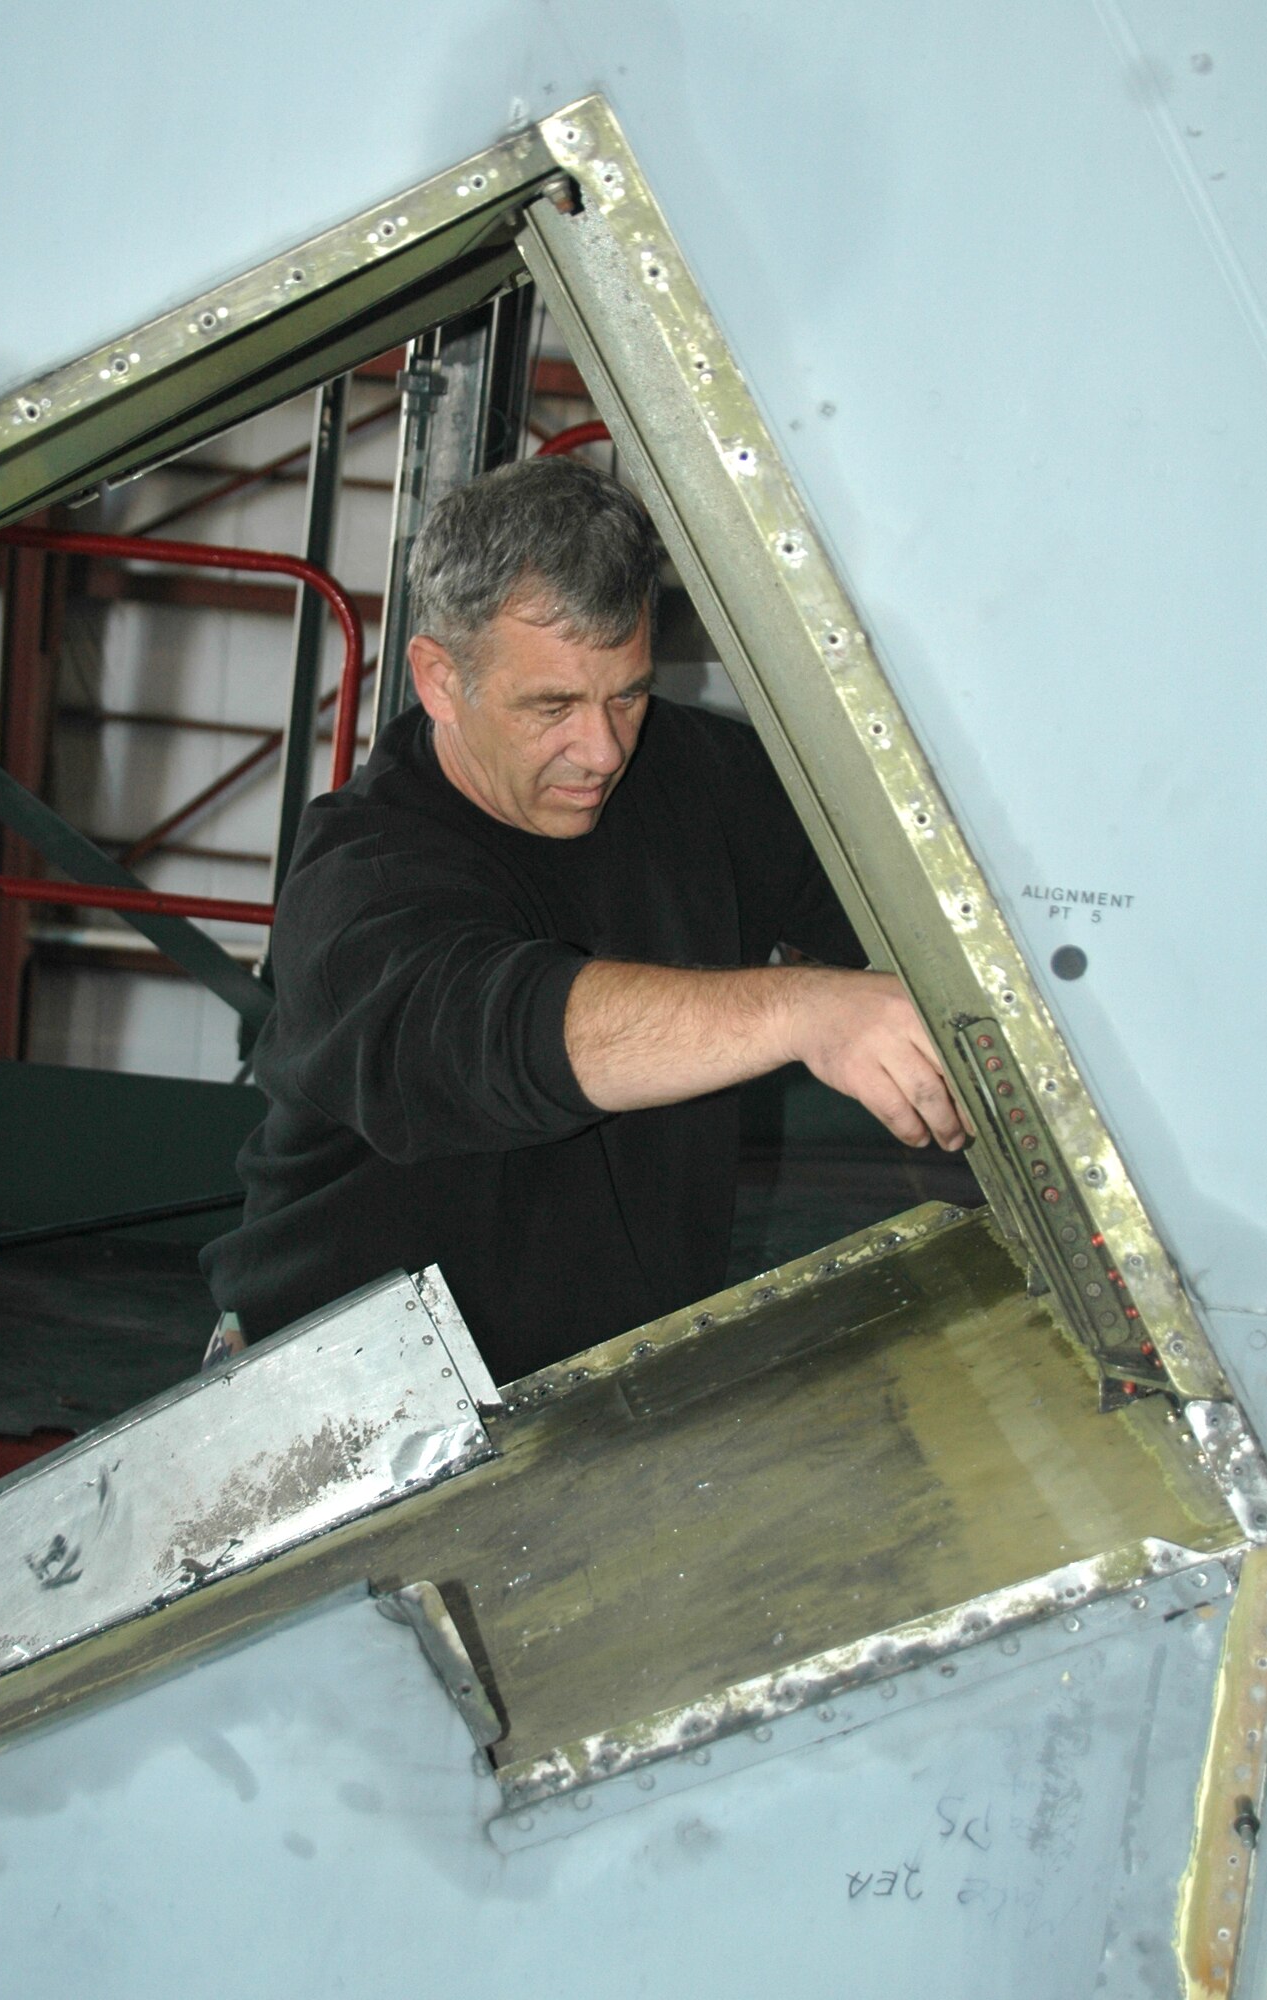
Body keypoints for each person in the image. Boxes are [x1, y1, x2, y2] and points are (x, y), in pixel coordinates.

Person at [202, 457, 965, 1382]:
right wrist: (802, 1010)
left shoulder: (710, 783)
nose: (600, 750)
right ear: (440, 680)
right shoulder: (361, 881)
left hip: (603, 1386)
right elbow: (504, 1033)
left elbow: (917, 917)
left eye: (628, 693)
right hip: (341, 1397)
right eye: (551, 705)